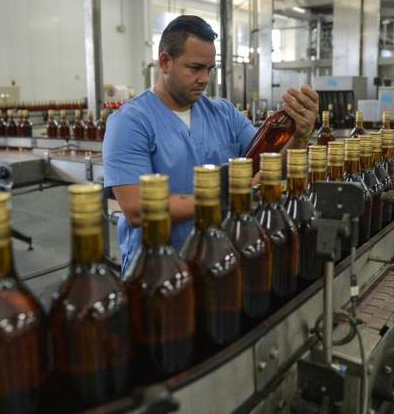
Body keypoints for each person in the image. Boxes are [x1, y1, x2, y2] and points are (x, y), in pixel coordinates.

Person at [103, 15, 319, 273]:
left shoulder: (224, 113)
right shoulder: (129, 122)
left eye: (210, 69)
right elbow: (136, 208)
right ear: (165, 62)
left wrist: (300, 135)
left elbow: (270, 166)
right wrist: (225, 197)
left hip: (221, 263)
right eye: (195, 68)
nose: (205, 78)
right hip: (158, 274)